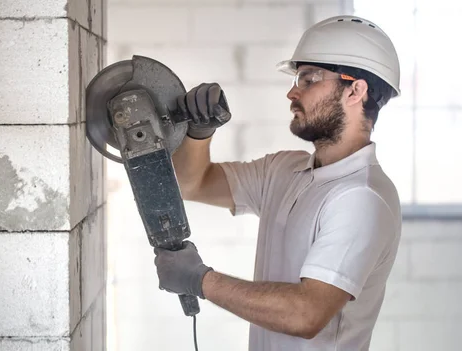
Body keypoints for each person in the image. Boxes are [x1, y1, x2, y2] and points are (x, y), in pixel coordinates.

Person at [153, 15, 403, 350]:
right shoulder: (283, 170)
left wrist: (200, 280)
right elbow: (193, 183)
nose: (292, 92)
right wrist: (198, 132)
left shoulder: (362, 197)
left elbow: (306, 313)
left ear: (356, 90)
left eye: (308, 78)